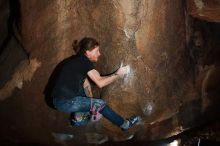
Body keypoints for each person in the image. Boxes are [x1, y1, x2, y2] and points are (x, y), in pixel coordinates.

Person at [51, 37, 140, 131]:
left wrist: (91, 102)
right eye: (96, 51)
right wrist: (119, 75)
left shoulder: (78, 62)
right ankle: (125, 125)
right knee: (100, 104)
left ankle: (78, 117)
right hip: (66, 101)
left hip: (59, 100)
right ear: (88, 52)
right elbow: (100, 83)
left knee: (93, 102)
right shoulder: (84, 61)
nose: (99, 53)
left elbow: (87, 84)